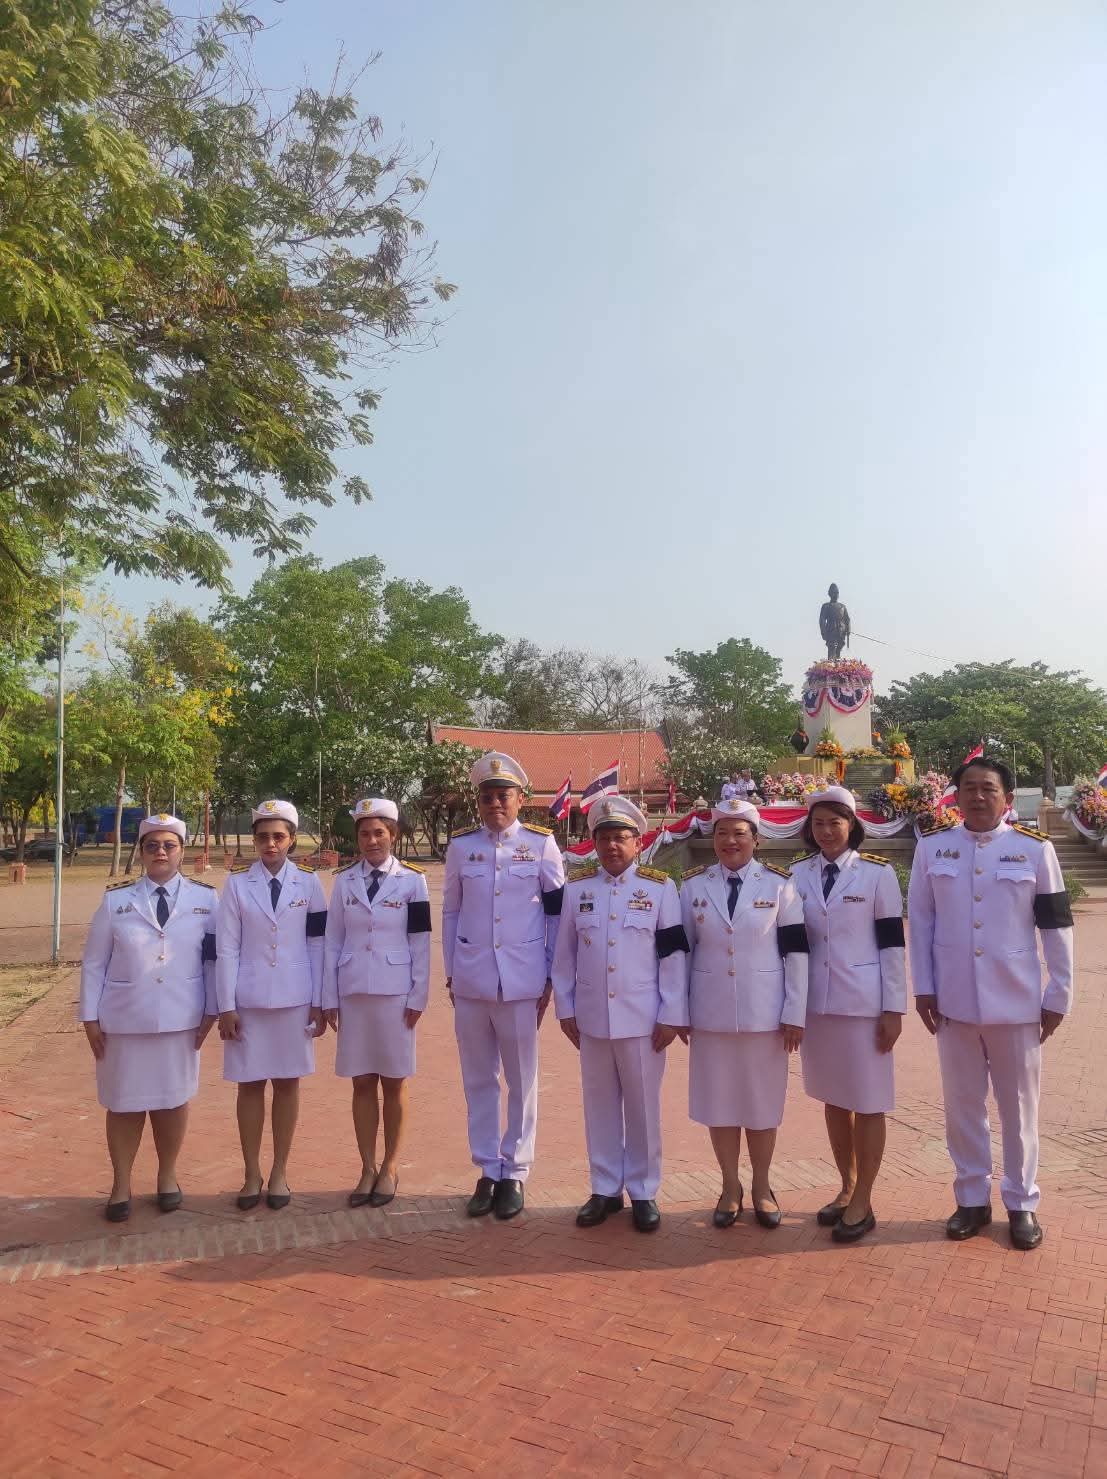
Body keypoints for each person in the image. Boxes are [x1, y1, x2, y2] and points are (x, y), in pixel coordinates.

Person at [909, 756, 1074, 1251]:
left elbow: (1056, 926)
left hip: (1017, 1002)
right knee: (962, 1106)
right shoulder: (932, 848)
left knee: (1019, 1108)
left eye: (989, 789)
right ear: (956, 796)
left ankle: (1022, 1202)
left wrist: (1058, 994)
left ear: (1007, 798)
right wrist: (924, 987)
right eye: (970, 788)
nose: (978, 796)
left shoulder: (1034, 850)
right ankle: (971, 1199)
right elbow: (921, 922)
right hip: (954, 1001)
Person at [553, 795, 689, 1232]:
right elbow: (564, 957)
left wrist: (671, 1013)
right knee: (599, 1106)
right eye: (604, 838)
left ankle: (644, 1191)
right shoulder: (578, 890)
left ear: (638, 842)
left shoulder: (660, 889)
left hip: (644, 1020)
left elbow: (673, 957)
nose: (612, 846)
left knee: (643, 1108)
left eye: (621, 838)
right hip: (592, 1018)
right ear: (593, 843)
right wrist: (565, 1007)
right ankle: (605, 1188)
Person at [443, 751, 566, 1220]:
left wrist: (549, 974)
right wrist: (452, 971)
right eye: (487, 796)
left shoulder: (541, 844)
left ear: (520, 799)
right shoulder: (461, 848)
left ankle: (515, 1171)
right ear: (478, 801)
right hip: (472, 979)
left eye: (504, 795)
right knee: (478, 1079)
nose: (495, 803)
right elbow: (451, 911)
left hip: (521, 980)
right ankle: (487, 1169)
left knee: (521, 1080)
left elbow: (556, 916)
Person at [79, 814, 218, 1222]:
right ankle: (121, 1183)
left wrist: (212, 1009)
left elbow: (213, 961)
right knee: (123, 1103)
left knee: (172, 1101)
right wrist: (89, 1017)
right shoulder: (115, 901)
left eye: (169, 845)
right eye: (152, 845)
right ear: (141, 852)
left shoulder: (206, 900)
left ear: (181, 851)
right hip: (124, 1019)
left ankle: (167, 1176)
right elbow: (93, 963)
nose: (161, 852)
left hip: (181, 1017)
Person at [681, 798, 808, 1230]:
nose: (730, 841)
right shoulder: (693, 887)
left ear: (756, 839)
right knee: (719, 1103)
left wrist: (795, 1011)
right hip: (710, 1012)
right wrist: (679, 1009)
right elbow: (681, 952)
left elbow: (796, 953)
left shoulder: (779, 885)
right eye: (722, 833)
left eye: (739, 833)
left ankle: (762, 1186)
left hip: (765, 1015)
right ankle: (729, 1186)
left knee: (762, 1104)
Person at [790, 787, 905, 1243]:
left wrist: (893, 1007)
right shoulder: (796, 874)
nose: (826, 831)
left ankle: (865, 1200)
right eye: (818, 823)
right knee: (834, 1098)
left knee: (870, 1100)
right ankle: (847, 1186)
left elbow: (892, 944)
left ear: (852, 825)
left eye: (834, 822)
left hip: (864, 1005)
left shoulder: (877, 874)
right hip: (817, 1005)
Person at [216, 800, 327, 1211]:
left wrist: (320, 1001)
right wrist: (225, 1004)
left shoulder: (310, 884)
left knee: (287, 1083)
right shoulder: (237, 885)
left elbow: (319, 944)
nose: (270, 844)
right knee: (249, 1085)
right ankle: (251, 1172)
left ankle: (279, 1171)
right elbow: (226, 948)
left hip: (295, 998)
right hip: (248, 999)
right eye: (263, 836)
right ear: (254, 840)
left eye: (278, 836)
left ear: (292, 839)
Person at [323, 797, 430, 1208]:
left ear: (393, 836)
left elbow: (420, 942)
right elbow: (333, 941)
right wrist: (328, 997)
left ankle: (390, 1167)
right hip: (353, 992)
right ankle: (367, 1167)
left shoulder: (413, 882)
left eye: (379, 833)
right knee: (362, 1081)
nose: (372, 840)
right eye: (365, 833)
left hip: (395, 993)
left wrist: (418, 994)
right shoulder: (344, 882)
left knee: (395, 1081)